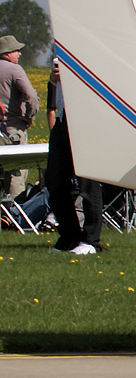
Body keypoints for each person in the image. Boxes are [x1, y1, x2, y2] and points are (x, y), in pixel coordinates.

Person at [45, 57, 104, 255]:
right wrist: (54, 81)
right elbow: (54, 97)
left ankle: (90, 240)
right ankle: (69, 236)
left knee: (88, 183)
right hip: (62, 121)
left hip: (84, 121)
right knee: (55, 181)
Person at [0, 35, 39, 200]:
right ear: (8, 53)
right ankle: (16, 211)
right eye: (17, 50)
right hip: (13, 127)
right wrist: (30, 116)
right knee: (17, 171)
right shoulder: (14, 69)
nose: (19, 54)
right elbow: (32, 96)